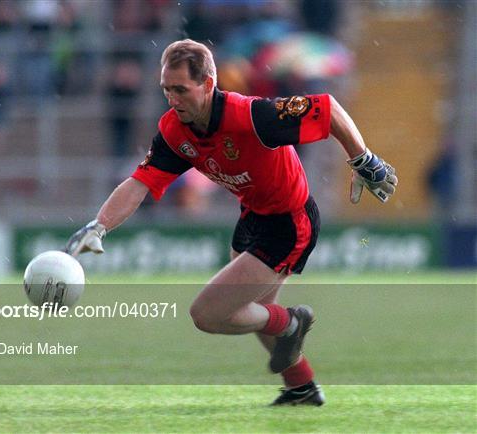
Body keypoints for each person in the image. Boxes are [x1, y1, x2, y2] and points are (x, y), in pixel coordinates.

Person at [65, 39, 397, 406]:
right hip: (253, 215)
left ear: (208, 84)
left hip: (289, 223)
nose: (172, 99)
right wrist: (99, 226)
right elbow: (140, 182)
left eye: (181, 90)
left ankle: (290, 324)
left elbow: (327, 108)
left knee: (209, 314)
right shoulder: (176, 130)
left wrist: (363, 160)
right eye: (166, 90)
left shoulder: (252, 116)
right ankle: (301, 387)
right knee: (252, 312)